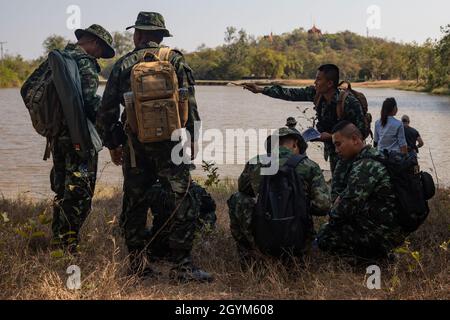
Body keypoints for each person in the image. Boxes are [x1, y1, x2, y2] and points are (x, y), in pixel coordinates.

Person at [97, 12, 211, 282]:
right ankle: (182, 266)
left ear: (138, 35)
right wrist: (193, 136)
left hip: (135, 144)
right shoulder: (175, 60)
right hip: (171, 142)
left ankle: (138, 266)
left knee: (135, 202)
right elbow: (189, 102)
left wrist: (113, 143)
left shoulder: (124, 64)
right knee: (181, 197)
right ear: (160, 36)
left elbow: (106, 111)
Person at [49, 24, 115, 252]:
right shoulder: (84, 62)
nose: (100, 57)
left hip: (57, 138)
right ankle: (68, 246)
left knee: (62, 190)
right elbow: (90, 103)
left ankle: (57, 241)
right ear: (95, 43)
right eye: (102, 51)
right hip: (79, 140)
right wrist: (111, 126)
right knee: (79, 193)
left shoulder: (60, 59)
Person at [228, 127, 331, 265]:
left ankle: (249, 255)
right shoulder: (310, 166)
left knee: (238, 198)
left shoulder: (256, 162)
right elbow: (322, 206)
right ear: (295, 144)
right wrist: (300, 203)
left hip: (262, 236)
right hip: (298, 240)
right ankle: (299, 257)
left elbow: (244, 189)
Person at [242, 64, 367, 174]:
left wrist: (330, 137)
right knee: (337, 186)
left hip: (352, 154)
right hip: (334, 151)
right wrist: (261, 90)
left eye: (318, 79)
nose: (315, 82)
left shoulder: (348, 102)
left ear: (329, 83)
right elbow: (290, 93)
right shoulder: (317, 94)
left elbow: (362, 132)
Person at [317, 121, 406, 260]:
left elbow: (347, 207)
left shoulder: (365, 166)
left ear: (355, 140)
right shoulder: (374, 155)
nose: (336, 150)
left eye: (338, 144)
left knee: (325, 235)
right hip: (390, 226)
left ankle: (372, 258)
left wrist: (330, 216)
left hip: (383, 232)